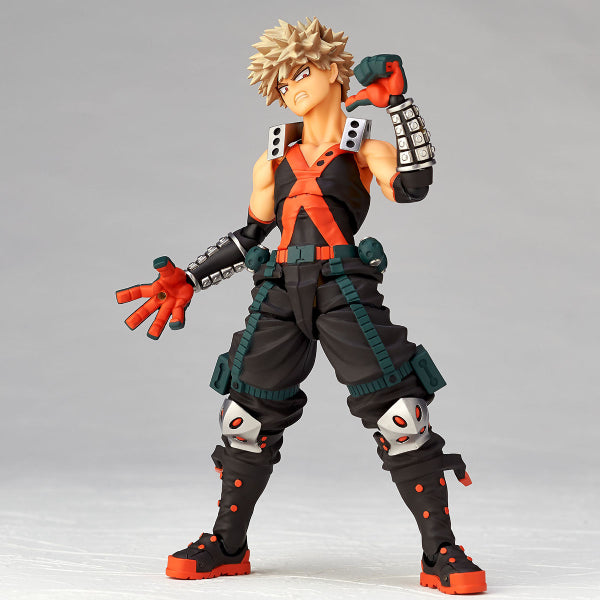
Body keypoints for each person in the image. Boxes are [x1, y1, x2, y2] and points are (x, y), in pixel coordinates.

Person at [116, 17, 486, 595]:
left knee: (401, 416)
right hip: (278, 288)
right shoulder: (272, 158)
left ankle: (440, 549)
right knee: (244, 417)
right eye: (283, 82)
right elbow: (251, 234)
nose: (293, 88)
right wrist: (190, 276)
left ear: (335, 71)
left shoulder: (364, 148)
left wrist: (401, 106)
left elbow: (413, 186)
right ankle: (228, 544)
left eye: (302, 73)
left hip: (343, 286)